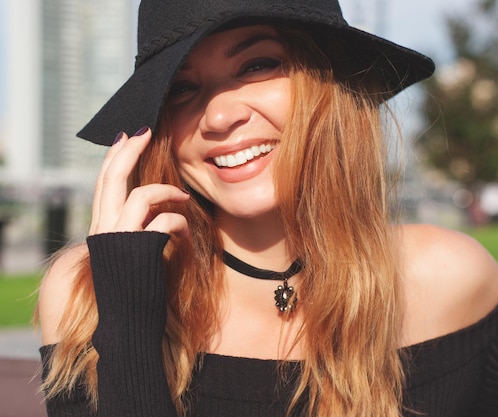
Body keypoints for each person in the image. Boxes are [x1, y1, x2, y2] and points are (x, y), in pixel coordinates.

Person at [37, 0, 498, 416]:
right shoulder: (90, 296)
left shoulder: (450, 279)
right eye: (180, 89)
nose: (219, 118)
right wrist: (129, 324)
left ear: (328, 80)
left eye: (257, 64)